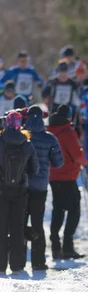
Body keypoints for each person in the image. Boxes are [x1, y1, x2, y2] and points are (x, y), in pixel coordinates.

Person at [24, 106, 64, 270]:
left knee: (20, 221)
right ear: (43, 118)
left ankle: (16, 260)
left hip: (22, 185)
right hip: (40, 186)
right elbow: (58, 162)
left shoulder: (23, 136)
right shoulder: (50, 139)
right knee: (37, 222)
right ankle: (38, 262)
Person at [0, 110, 39, 273]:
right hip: (21, 191)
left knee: (1, 228)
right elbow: (34, 169)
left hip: (1, 191)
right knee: (18, 227)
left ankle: (0, 264)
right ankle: (17, 264)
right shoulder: (27, 143)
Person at [47, 104, 88, 260]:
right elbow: (77, 154)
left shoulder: (50, 131)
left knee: (57, 209)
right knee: (74, 209)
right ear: (69, 117)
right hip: (68, 177)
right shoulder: (68, 132)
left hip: (53, 176)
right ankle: (68, 247)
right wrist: (85, 163)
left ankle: (55, 247)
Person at [42, 60, 82, 131]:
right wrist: (46, 100)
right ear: (58, 73)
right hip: (54, 110)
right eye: (61, 72)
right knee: (54, 130)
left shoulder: (72, 83)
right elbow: (44, 93)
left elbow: (79, 95)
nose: (63, 75)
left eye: (64, 72)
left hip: (67, 111)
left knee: (67, 131)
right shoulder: (53, 82)